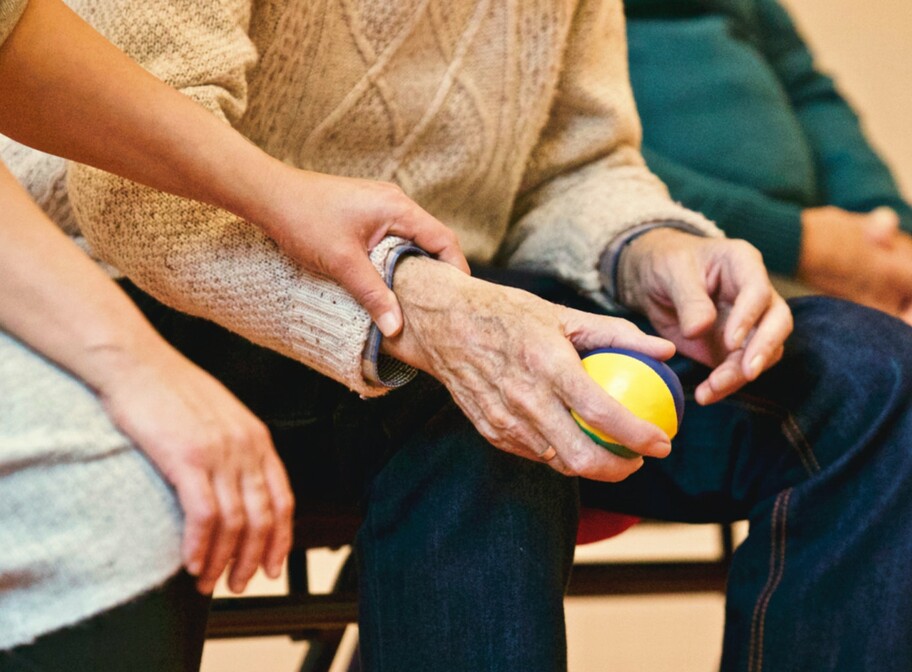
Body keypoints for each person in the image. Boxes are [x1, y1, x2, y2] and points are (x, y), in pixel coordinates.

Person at [5, 1, 912, 671]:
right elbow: (128, 188)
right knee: (499, 402)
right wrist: (423, 310)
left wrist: (653, 251)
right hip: (184, 298)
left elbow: (577, 164)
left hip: (476, 300)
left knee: (869, 377)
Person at [0, 0, 465, 666]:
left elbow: (12, 35)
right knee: (122, 510)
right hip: (102, 276)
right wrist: (137, 367)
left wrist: (281, 193)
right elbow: (118, 198)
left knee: (465, 408)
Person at [623, 0, 912, 322]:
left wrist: (890, 232)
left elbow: (808, 91)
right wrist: (797, 242)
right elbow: (587, 160)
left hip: (830, 254)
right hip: (675, 267)